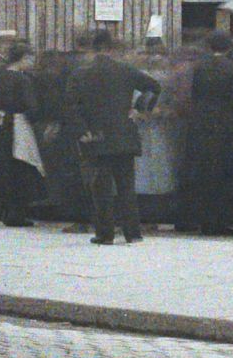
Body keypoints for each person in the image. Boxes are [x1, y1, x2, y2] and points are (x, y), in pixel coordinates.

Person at [65, 28, 164, 245]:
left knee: (101, 188)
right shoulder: (126, 70)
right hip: (123, 134)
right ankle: (133, 232)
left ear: (93, 49)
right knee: (126, 187)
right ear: (112, 48)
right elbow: (154, 87)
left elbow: (72, 108)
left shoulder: (80, 74)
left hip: (96, 136)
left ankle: (105, 233)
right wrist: (140, 109)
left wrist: (83, 131)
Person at [179, 32, 233, 235]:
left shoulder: (199, 67)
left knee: (199, 171)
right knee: (220, 173)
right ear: (228, 47)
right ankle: (217, 221)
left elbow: (194, 94)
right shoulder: (232, 69)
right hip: (223, 126)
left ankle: (195, 218)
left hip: (200, 123)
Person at [29, 47, 89, 231]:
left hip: (52, 125)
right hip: (67, 126)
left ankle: (66, 210)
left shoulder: (45, 78)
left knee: (58, 170)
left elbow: (50, 103)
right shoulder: (67, 77)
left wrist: (53, 122)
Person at [0, 39, 43, 227]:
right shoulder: (22, 79)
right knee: (22, 167)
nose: (33, 62)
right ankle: (17, 213)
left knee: (5, 169)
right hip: (19, 125)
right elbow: (31, 107)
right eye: (31, 58)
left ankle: (4, 211)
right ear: (23, 58)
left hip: (0, 126)